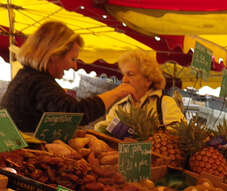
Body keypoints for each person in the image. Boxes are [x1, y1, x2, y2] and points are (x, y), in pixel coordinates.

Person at [0, 21, 134, 132]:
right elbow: (75, 114)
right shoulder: (38, 82)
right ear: (54, 55)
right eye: (73, 59)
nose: (75, 67)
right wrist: (117, 92)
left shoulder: (26, 76)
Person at [95, 50, 185, 136]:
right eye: (124, 75)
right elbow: (103, 128)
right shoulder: (119, 106)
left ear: (148, 80)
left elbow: (179, 132)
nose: (124, 80)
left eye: (130, 74)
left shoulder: (165, 103)